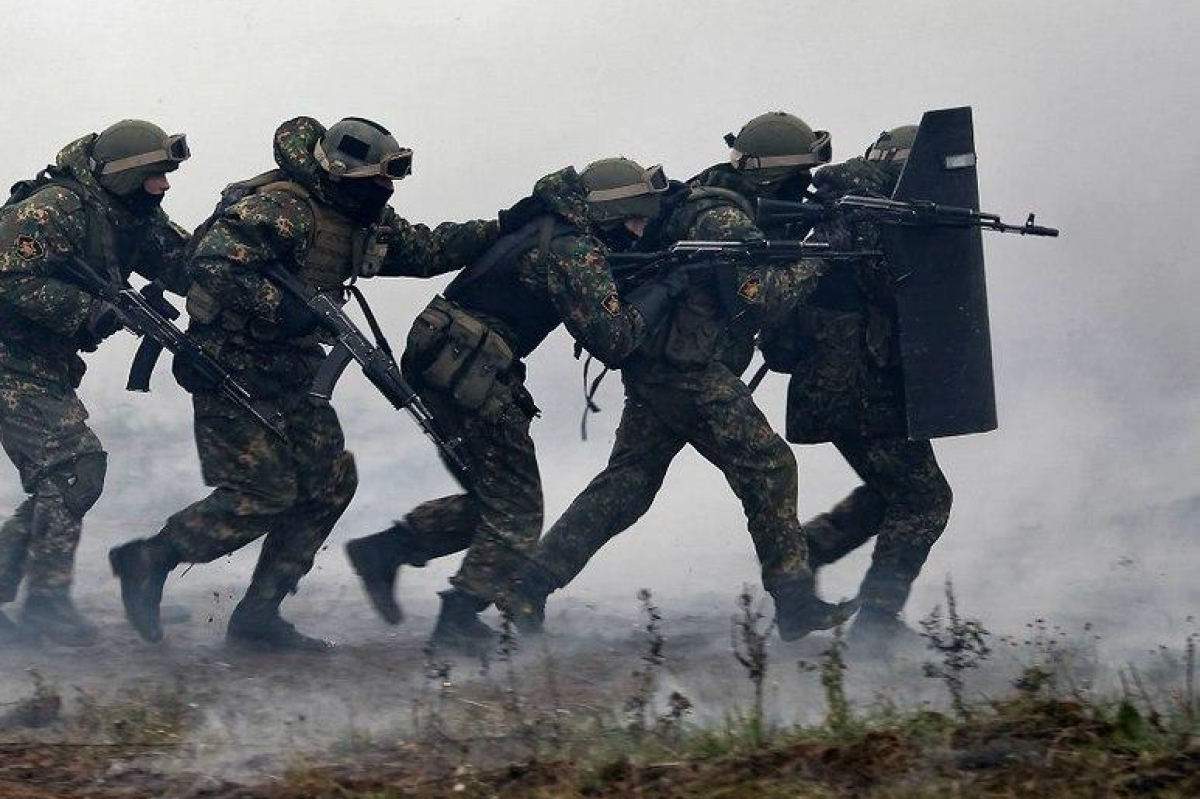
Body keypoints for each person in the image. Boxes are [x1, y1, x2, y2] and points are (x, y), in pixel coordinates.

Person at [109, 116, 498, 652]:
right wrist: (282, 308)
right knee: (263, 494)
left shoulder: (355, 215)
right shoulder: (281, 207)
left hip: (292, 371)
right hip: (230, 367)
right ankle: (150, 558)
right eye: (377, 180)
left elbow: (426, 251)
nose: (386, 190)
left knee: (330, 483)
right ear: (340, 173)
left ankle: (258, 617)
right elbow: (210, 266)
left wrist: (503, 228)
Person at [507, 112, 853, 641]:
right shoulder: (723, 219)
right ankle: (795, 603)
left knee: (628, 485)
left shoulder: (708, 193)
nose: (805, 182)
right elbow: (759, 301)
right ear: (772, 174)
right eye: (800, 171)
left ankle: (527, 587)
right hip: (689, 371)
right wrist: (820, 255)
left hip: (661, 366)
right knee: (770, 465)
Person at [345, 157, 687, 654]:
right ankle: (458, 618)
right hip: (473, 367)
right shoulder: (576, 251)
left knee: (493, 500)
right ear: (614, 213)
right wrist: (667, 287)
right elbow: (615, 341)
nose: (639, 232)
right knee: (519, 513)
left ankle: (386, 550)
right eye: (635, 220)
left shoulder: (546, 225)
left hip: (442, 354)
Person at [759, 125, 954, 650]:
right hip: (853, 381)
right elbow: (888, 288)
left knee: (892, 491)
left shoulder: (846, 201)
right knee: (924, 497)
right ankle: (876, 627)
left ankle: (796, 562)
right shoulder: (869, 206)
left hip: (841, 379)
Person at [0, 120, 191, 645]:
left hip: (41, 362)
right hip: (9, 357)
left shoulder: (130, 216)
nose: (165, 186)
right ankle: (46, 605)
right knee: (74, 468)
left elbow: (187, 265)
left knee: (63, 478)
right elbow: (8, 275)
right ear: (127, 175)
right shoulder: (54, 208)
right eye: (156, 175)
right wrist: (91, 310)